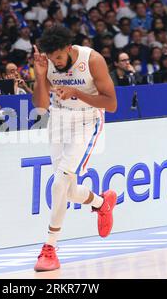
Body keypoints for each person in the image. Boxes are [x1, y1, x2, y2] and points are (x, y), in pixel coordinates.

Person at [31, 25, 118, 272]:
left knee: (59, 183)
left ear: (69, 49)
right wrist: (39, 77)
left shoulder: (92, 59)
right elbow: (40, 105)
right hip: (58, 119)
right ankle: (101, 203)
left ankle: (50, 247)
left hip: (86, 119)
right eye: (51, 58)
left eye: (58, 57)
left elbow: (111, 104)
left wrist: (77, 92)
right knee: (66, 189)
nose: (55, 62)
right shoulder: (46, 63)